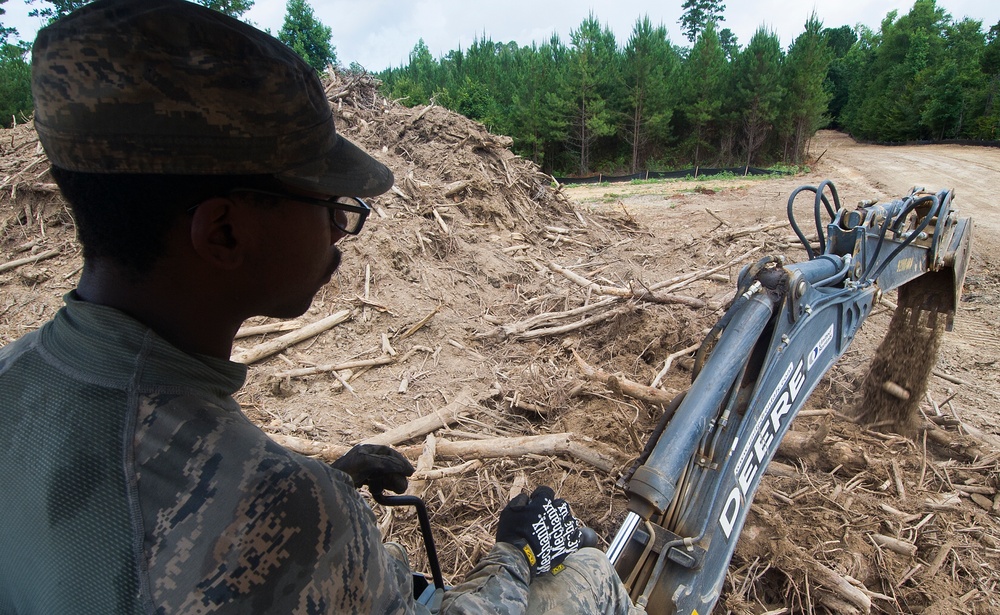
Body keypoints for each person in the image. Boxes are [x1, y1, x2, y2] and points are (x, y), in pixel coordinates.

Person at [0, 0, 635, 613]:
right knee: (590, 571)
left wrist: (331, 478)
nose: (339, 226)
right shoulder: (293, 520)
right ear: (224, 232)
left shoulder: (14, 383)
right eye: (326, 199)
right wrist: (514, 556)